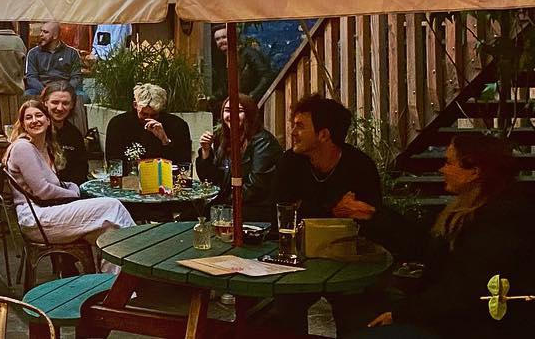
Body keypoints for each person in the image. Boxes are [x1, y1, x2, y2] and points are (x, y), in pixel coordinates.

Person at [341, 135, 535, 338]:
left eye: (449, 162)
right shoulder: (467, 207)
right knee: (359, 311)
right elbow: (424, 243)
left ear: (474, 172)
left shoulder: (502, 219)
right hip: (451, 315)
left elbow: (462, 292)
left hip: (477, 327)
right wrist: (372, 216)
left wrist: (400, 313)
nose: (442, 169)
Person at [265, 95, 383, 335]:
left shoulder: (359, 167)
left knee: (356, 319)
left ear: (324, 134)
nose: (292, 132)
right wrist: (332, 210)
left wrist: (305, 207)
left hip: (346, 259)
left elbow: (371, 218)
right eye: (293, 125)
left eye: (300, 126)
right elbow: (279, 213)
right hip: (299, 258)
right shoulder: (290, 162)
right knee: (281, 314)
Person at [3, 100, 133, 271]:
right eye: (28, 117)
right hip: (36, 218)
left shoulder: (45, 149)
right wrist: (75, 193)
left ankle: (118, 289)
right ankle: (142, 253)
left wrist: (70, 187)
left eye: (39, 115)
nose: (34, 120)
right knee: (112, 205)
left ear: (48, 120)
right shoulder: (23, 148)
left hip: (49, 214)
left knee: (111, 233)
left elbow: (58, 184)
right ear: (23, 124)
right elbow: (43, 192)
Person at [195, 94, 280, 220]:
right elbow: (210, 181)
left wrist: (223, 204)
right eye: (228, 111)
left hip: (253, 211)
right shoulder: (224, 140)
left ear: (249, 114)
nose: (232, 116)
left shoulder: (263, 142)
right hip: (228, 207)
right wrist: (206, 151)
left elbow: (256, 187)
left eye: (239, 111)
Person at [103, 83, 192, 166]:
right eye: (144, 114)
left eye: (154, 115)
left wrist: (165, 140)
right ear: (135, 105)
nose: (148, 118)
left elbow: (183, 162)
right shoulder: (118, 124)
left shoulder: (177, 125)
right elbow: (113, 160)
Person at [40, 82, 90, 183]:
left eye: (65, 103)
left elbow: (82, 170)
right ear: (45, 102)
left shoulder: (74, 134)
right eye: (55, 102)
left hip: (72, 191)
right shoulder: (38, 131)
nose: (60, 108)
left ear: (72, 105)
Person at [24, 22, 84, 104]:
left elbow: (76, 77)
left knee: (83, 97)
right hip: (42, 89)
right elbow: (31, 78)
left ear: (55, 36)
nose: (41, 34)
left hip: (66, 89)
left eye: (45, 32)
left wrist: (64, 90)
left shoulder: (72, 53)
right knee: (27, 95)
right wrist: (45, 91)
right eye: (41, 31)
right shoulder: (33, 53)